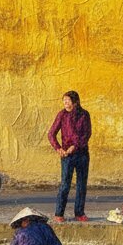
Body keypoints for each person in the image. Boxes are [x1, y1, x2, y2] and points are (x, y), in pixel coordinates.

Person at [47, 90, 92, 222]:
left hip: (82, 154)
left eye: (68, 101)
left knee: (81, 184)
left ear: (76, 102)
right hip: (67, 155)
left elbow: (87, 134)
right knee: (65, 185)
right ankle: (59, 213)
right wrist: (58, 148)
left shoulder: (84, 115)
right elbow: (51, 134)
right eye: (64, 101)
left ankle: (79, 213)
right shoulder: (62, 115)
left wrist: (75, 146)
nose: (66, 103)